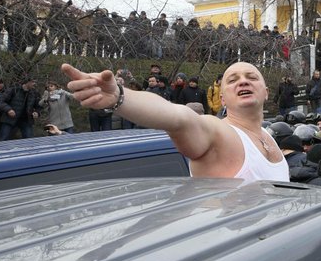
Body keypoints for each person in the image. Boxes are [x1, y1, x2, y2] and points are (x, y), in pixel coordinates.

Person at [62, 62, 289, 183]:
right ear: (221, 98)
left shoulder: (268, 136)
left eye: (251, 77)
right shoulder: (219, 132)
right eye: (233, 80)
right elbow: (178, 118)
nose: (242, 82)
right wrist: (120, 97)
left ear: (266, 92)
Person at [0, 76, 41, 140]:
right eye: (33, 82)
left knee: (29, 140)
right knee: (3, 139)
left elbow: (39, 106)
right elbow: (0, 101)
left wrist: (37, 112)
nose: (34, 84)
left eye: (35, 82)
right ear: (27, 82)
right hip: (9, 119)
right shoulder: (14, 89)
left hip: (26, 120)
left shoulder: (35, 93)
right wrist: (8, 110)